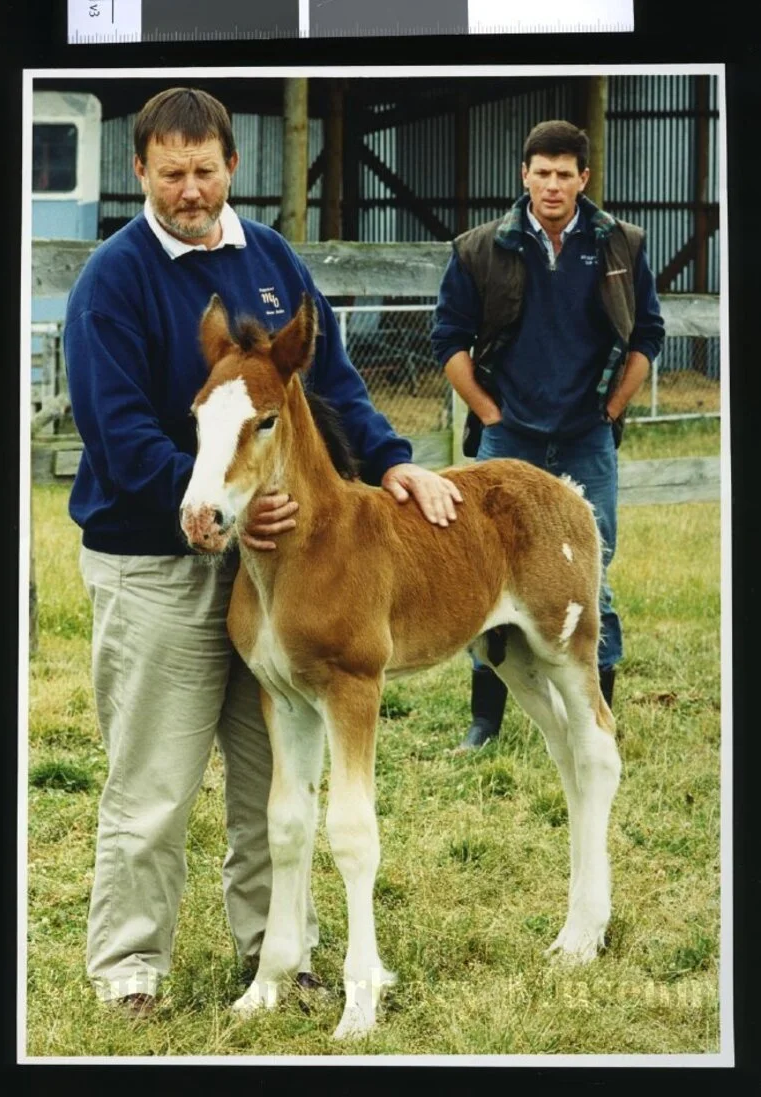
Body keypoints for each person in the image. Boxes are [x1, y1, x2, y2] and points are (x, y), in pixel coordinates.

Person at [64, 87, 463, 1017]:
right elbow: (116, 432)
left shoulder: (271, 259)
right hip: (158, 556)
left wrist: (397, 463)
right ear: (141, 173)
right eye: (171, 173)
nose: (191, 190)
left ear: (234, 167)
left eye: (206, 170)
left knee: (273, 768)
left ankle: (277, 953)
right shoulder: (114, 282)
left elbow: (334, 386)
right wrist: (206, 506)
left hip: (276, 565)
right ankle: (131, 965)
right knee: (155, 776)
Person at [431, 119, 665, 751]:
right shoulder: (481, 248)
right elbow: (448, 340)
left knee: (594, 577)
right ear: (524, 175)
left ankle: (594, 723)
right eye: (543, 172)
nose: (554, 184)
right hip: (510, 440)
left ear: (583, 178)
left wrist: (613, 407)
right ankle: (485, 723)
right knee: (485, 577)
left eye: (566, 173)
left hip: (586, 437)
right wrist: (489, 413)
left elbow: (648, 336)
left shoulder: (622, 245)